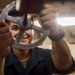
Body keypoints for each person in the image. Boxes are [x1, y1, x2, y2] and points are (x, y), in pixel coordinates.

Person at [0, 4, 74, 75]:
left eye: (26, 26)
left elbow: (65, 66)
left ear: (33, 29)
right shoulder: (3, 57)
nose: (22, 32)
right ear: (7, 31)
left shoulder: (45, 55)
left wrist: (55, 32)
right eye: (15, 28)